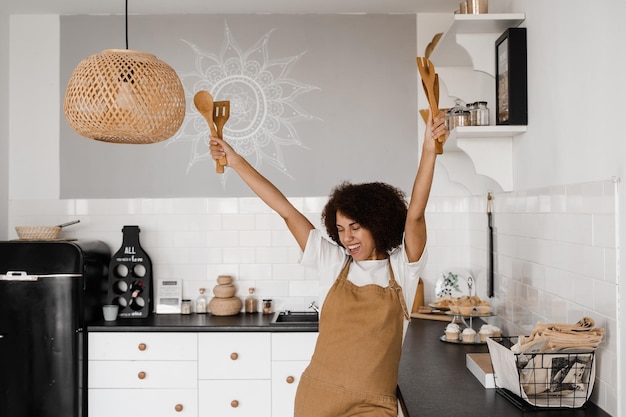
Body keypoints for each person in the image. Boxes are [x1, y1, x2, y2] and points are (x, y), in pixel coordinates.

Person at [209, 112, 448, 417]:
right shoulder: (333, 262)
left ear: (378, 224)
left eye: (356, 227)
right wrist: (235, 160)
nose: (347, 238)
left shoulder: (403, 270)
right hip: (317, 399)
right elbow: (285, 211)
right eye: (340, 229)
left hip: (373, 405)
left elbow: (415, 214)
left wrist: (429, 151)